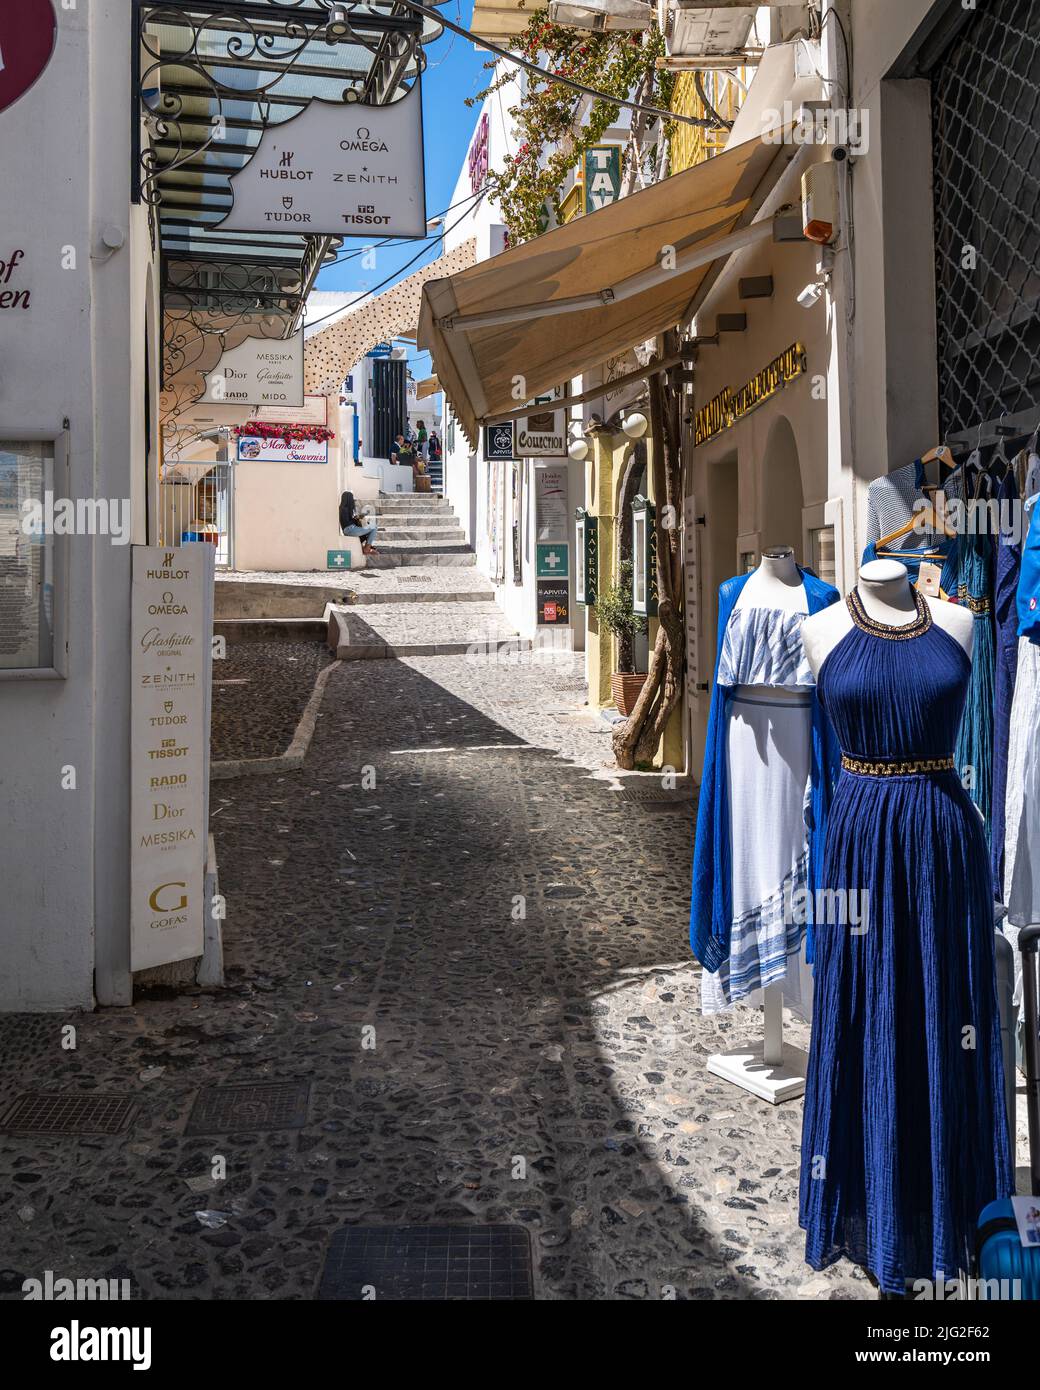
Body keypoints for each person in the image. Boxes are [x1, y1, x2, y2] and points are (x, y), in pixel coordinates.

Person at [338, 490, 378, 555]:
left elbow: (350, 520)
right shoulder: (344, 509)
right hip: (350, 529)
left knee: (368, 529)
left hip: (349, 529)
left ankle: (365, 548)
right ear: (349, 499)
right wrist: (357, 518)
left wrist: (359, 517)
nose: (353, 500)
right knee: (374, 527)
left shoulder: (343, 508)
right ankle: (367, 549)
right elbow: (349, 523)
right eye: (352, 498)